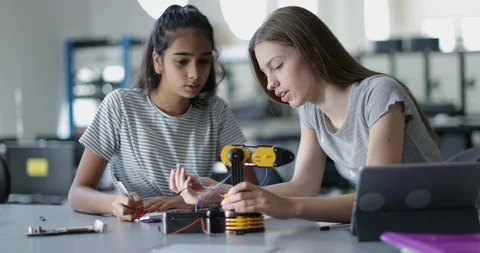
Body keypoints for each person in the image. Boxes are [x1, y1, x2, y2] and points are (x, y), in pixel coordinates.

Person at [170, 6, 443, 223]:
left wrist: (287, 207)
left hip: (435, 222)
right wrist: (219, 195)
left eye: (277, 66)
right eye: (265, 74)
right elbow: (303, 186)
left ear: (312, 51)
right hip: (389, 225)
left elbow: (376, 197)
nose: (270, 84)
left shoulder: (378, 94)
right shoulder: (310, 109)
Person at [68, 4, 258, 221]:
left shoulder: (216, 112)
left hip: (195, 233)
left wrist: (190, 201)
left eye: (204, 61)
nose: (194, 73)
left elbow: (248, 189)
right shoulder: (120, 106)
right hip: (133, 233)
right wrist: (114, 203)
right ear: (158, 61)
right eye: (181, 61)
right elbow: (77, 193)